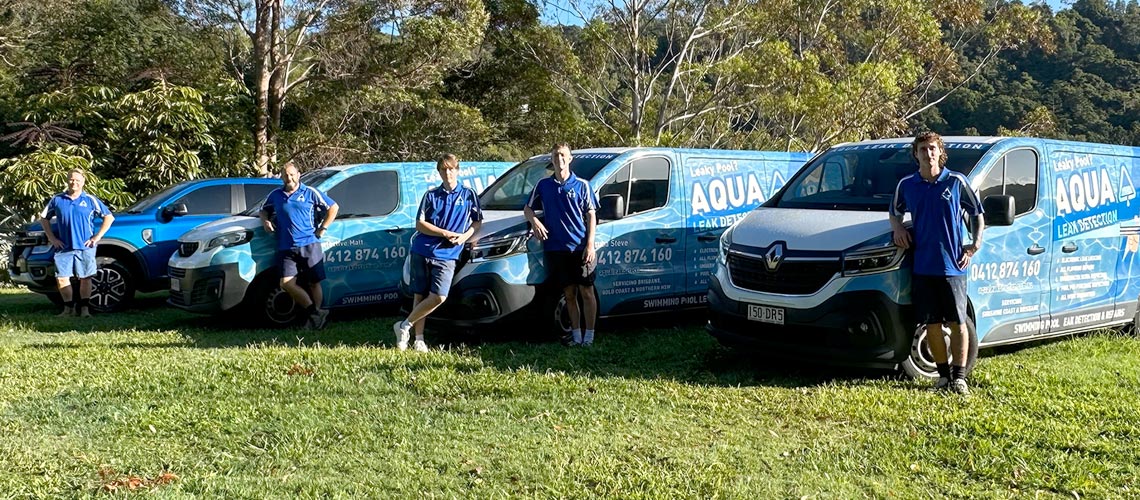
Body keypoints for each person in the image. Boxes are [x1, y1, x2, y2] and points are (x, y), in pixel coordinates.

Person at [890, 132, 984, 395]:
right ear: (915, 154)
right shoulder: (907, 184)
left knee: (957, 323)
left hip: (953, 265)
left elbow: (977, 213)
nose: (928, 153)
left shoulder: (956, 181)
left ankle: (960, 378)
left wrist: (975, 243)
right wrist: (898, 228)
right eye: (922, 149)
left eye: (932, 148)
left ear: (940, 152)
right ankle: (943, 377)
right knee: (931, 324)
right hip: (923, 265)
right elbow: (894, 212)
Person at [392, 154, 483, 352]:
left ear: (457, 170)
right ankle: (418, 339)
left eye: (451, 169)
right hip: (422, 250)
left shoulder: (469, 194)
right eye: (443, 169)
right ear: (439, 172)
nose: (447, 173)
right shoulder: (431, 195)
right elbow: (420, 224)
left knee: (439, 296)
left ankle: (404, 325)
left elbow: (477, 222)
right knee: (420, 294)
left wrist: (464, 236)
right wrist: (444, 233)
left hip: (448, 254)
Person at [524, 143, 599, 346]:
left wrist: (590, 245)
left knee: (587, 292)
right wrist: (535, 221)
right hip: (556, 249)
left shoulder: (582, 185)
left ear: (570, 159)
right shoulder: (543, 185)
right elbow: (528, 209)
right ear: (552, 159)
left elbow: (591, 215)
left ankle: (589, 336)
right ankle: (576, 335)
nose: (560, 159)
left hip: (580, 248)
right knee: (569, 294)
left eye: (563, 155)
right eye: (556, 155)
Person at [260, 161, 339, 329]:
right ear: (281, 177)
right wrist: (265, 221)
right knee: (286, 283)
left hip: (309, 243)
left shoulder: (310, 192)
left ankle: (315, 320)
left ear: (298, 175)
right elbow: (263, 210)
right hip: (285, 246)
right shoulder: (275, 195)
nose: (289, 178)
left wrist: (323, 228)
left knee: (314, 283)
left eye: (292, 174)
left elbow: (333, 207)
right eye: (285, 175)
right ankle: (316, 313)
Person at [40, 169, 115, 317]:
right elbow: (43, 218)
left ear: (83, 182)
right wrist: (52, 238)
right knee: (62, 278)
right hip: (63, 247)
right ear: (67, 180)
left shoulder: (90, 200)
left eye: (77, 180)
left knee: (85, 278)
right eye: (71, 179)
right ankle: (68, 309)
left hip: (85, 247)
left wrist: (97, 237)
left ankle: (85, 310)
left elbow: (109, 217)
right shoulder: (57, 199)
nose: (74, 182)